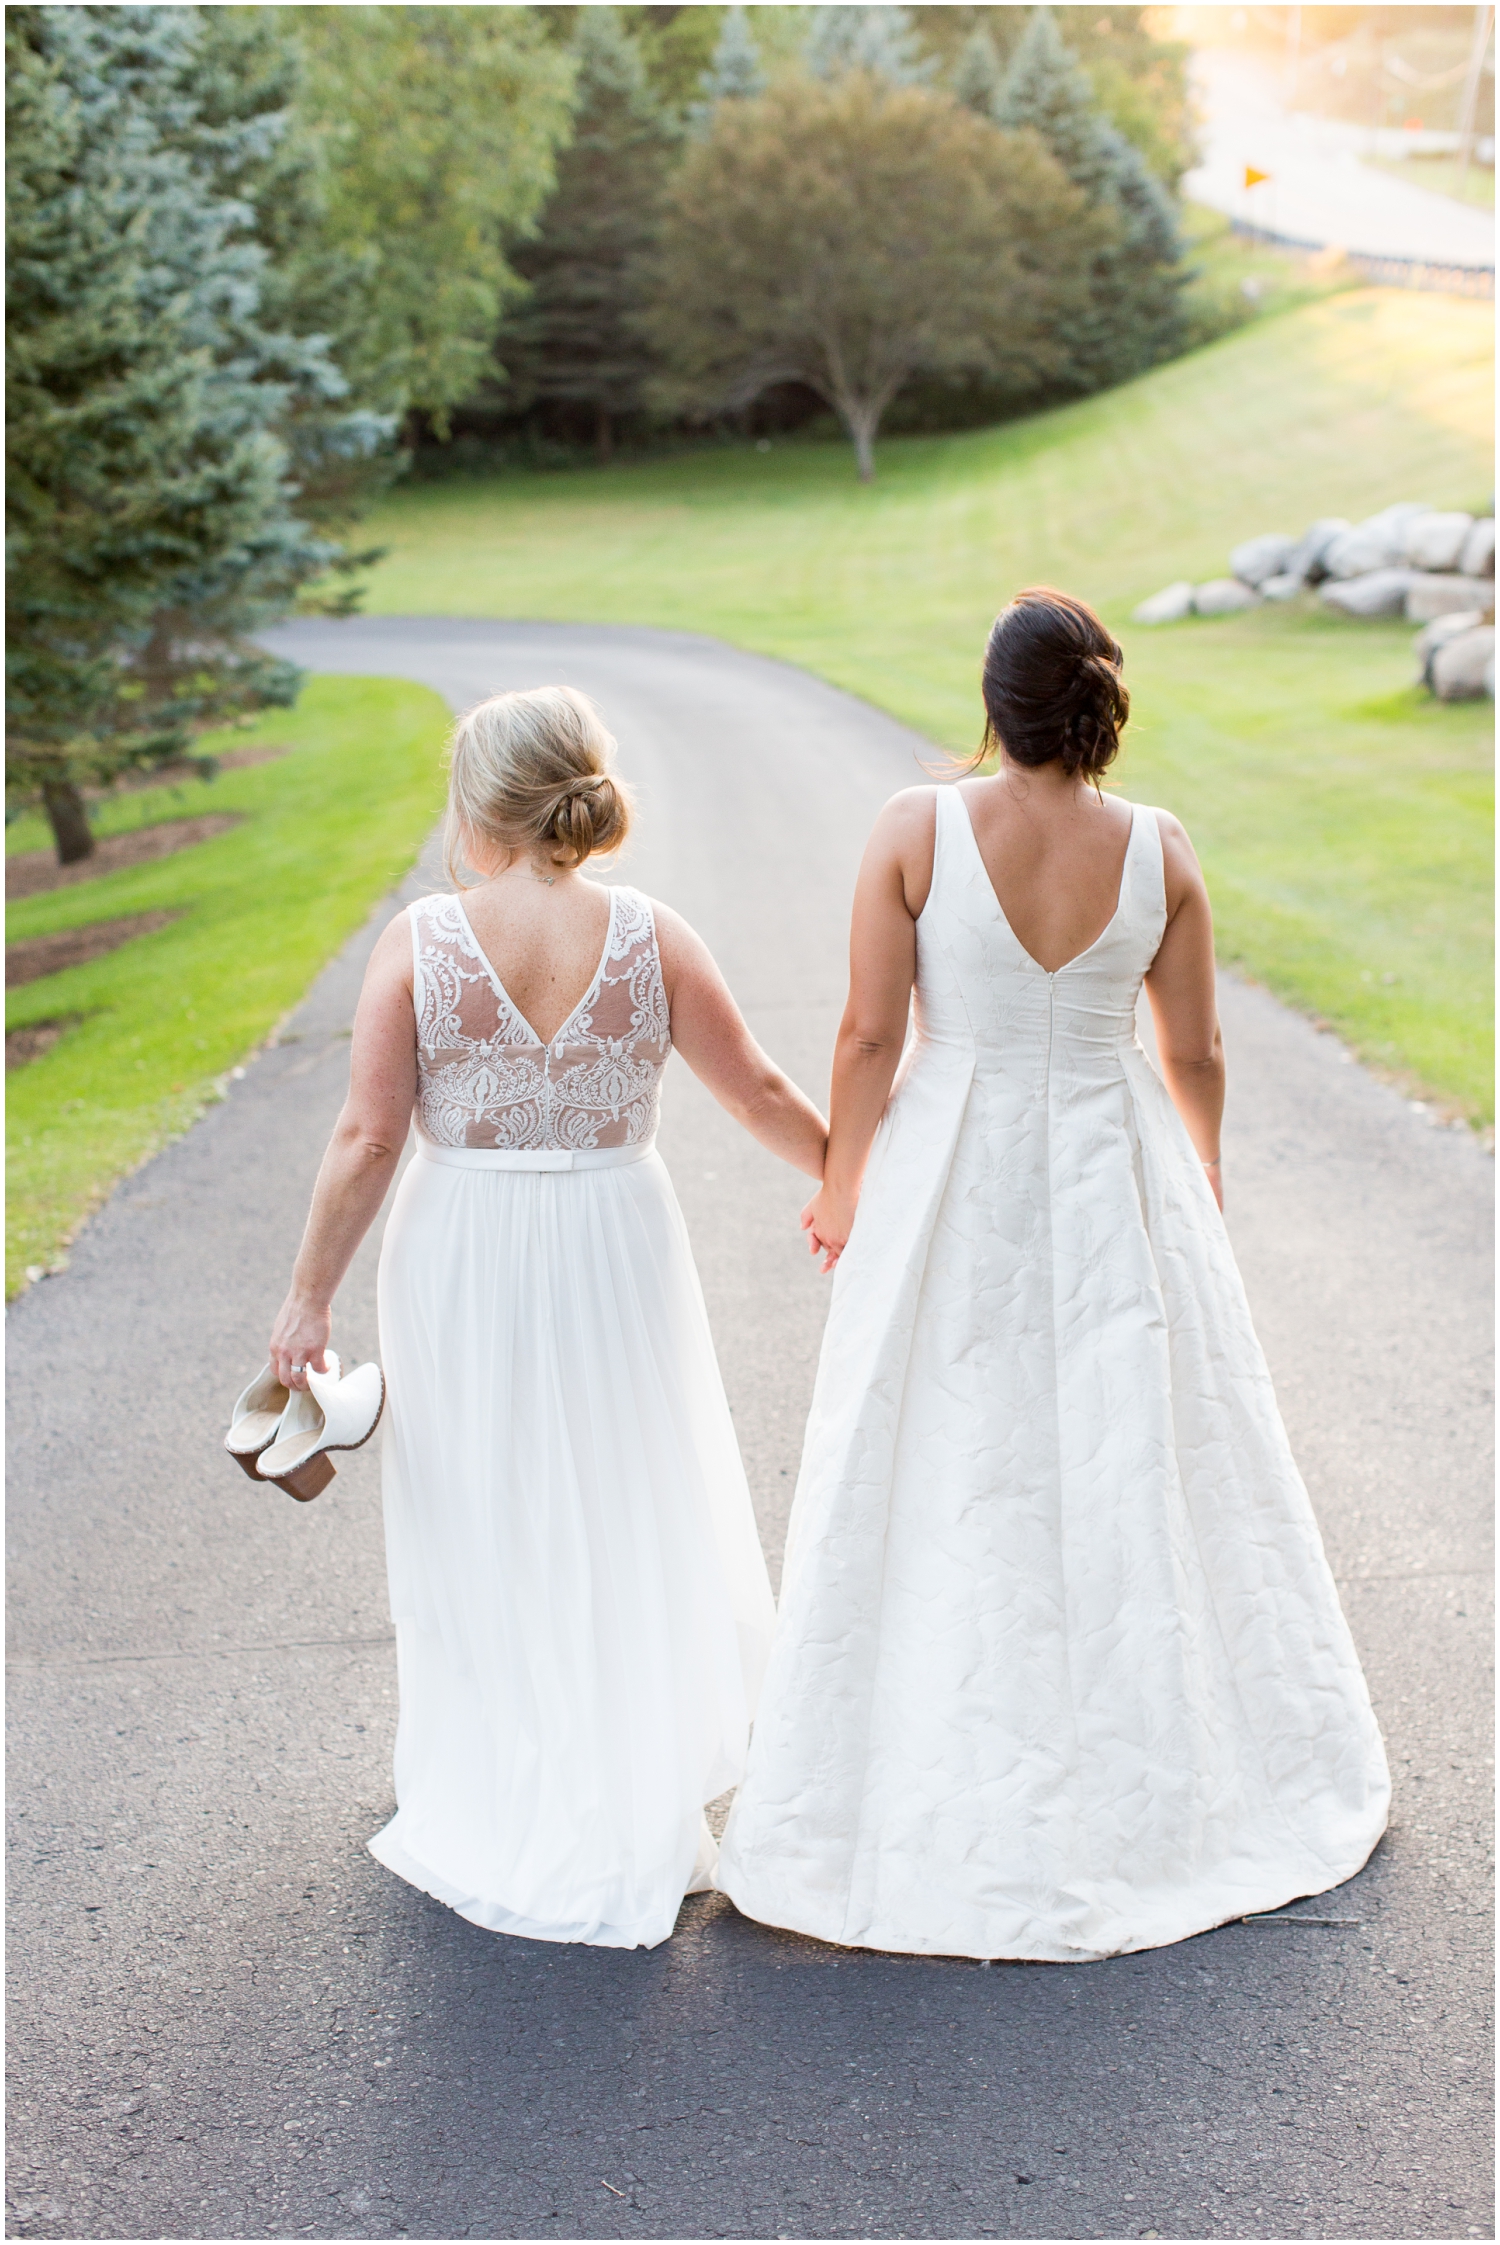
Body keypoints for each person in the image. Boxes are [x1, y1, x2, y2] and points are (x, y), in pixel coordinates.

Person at [718, 588, 1390, 1963]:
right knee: (1121, 1448)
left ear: (993, 705)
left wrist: (844, 1182)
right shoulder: (1161, 846)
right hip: (1108, 1158)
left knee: (951, 1447)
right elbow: (1196, 1053)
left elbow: (865, 1034)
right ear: (1099, 706)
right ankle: (1156, 1777)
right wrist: (1196, 1174)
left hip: (953, 1167)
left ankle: (937, 1759)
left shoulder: (915, 829)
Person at [268, 685, 826, 1949]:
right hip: (617, 1242)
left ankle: (502, 1772)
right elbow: (760, 1091)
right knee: (626, 1494)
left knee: (484, 1506)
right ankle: (632, 1764)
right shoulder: (652, 933)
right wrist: (854, 1178)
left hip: (460, 1249)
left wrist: (307, 1297)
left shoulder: (423, 938)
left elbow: (366, 1136)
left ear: (479, 806)